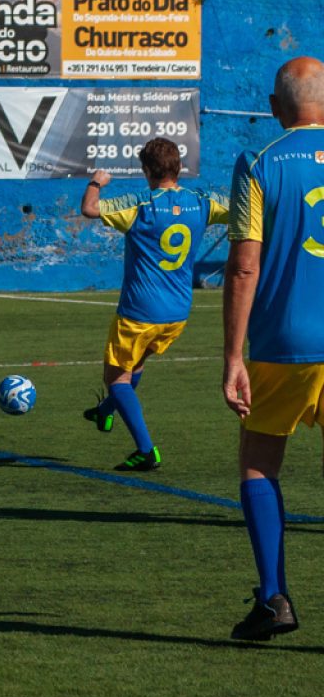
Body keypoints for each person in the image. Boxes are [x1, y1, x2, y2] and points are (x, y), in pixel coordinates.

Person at [222, 55, 324, 641]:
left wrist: (233, 357)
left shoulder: (258, 162)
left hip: (282, 344)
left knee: (260, 463)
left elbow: (243, 267)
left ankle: (274, 598)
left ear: (274, 108)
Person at [80, 138, 229, 471]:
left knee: (116, 377)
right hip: (177, 313)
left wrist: (96, 182)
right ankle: (106, 412)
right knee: (136, 366)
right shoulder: (201, 202)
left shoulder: (140, 203)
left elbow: (89, 208)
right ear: (178, 168)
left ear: (146, 170)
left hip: (138, 313)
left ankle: (146, 451)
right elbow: (242, 208)